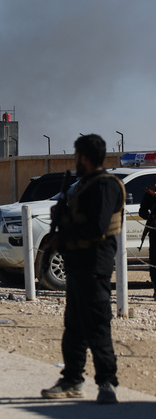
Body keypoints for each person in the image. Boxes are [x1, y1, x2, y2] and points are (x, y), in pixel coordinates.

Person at [41, 134, 126, 404]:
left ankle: (106, 384)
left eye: (77, 156)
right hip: (77, 265)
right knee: (74, 326)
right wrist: (61, 218)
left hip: (94, 266)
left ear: (85, 158)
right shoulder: (84, 185)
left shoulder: (104, 186)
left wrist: (62, 237)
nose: (75, 161)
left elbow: (96, 227)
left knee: (97, 325)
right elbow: (79, 220)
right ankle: (73, 379)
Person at [139, 181, 156, 299]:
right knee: (154, 261)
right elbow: (142, 210)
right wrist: (149, 217)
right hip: (154, 231)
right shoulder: (150, 193)